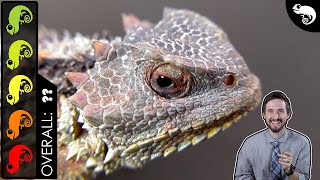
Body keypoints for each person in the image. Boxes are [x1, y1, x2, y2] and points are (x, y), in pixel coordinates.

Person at [233, 90, 312, 180]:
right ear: (263, 115)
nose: (275, 116)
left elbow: (305, 178)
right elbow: (240, 177)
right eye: (270, 111)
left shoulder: (302, 142)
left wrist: (289, 171)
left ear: (289, 114)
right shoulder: (250, 144)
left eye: (281, 111)